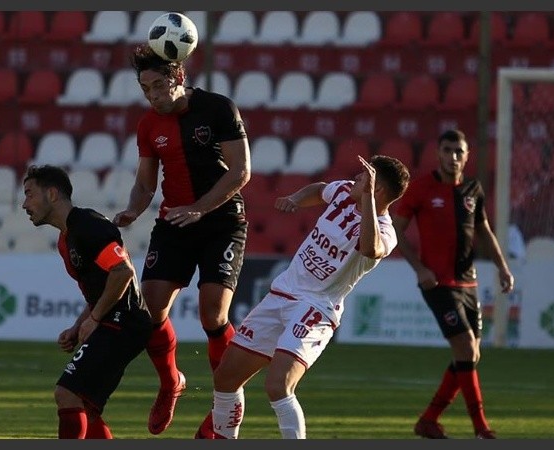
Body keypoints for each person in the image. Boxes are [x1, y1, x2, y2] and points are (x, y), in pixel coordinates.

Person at [195, 155, 411, 439]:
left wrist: (368, 197)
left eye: (363, 180)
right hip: (282, 294)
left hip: (316, 308)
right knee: (225, 376)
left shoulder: (384, 230)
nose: (356, 180)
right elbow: (320, 189)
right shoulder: (347, 192)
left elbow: (370, 249)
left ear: (377, 191)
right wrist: (297, 198)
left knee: (278, 386)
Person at [112, 44, 251, 435]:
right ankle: (171, 382)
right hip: (175, 221)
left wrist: (201, 208)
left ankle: (222, 407)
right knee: (149, 314)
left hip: (222, 219)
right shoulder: (148, 125)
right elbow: (144, 184)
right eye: (146, 90)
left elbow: (241, 172)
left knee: (213, 315)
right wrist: (132, 211)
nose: (153, 96)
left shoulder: (219, 109)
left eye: (159, 86)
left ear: (179, 78)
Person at [391, 129, 515, 440]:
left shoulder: (473, 190)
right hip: (437, 282)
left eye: (459, 151)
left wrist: (502, 266)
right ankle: (481, 428)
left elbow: (483, 230)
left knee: (469, 356)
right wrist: (419, 268)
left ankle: (429, 420)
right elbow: (396, 231)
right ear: (439, 153)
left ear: (467, 155)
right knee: (466, 347)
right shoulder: (421, 188)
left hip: (468, 283)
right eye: (448, 150)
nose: (454, 157)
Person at [22, 164, 153, 439]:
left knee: (66, 393)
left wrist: (94, 320)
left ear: (53, 194)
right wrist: (78, 325)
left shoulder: (88, 226)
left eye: (29, 194)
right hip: (116, 320)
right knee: (85, 407)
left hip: (123, 321)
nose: (24, 204)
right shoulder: (67, 238)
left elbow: (122, 272)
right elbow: (100, 289)